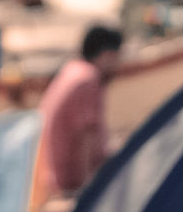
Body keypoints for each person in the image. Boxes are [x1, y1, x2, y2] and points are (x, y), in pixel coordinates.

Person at [37, 25, 123, 197]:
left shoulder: (72, 70)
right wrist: (88, 194)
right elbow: (85, 140)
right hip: (67, 184)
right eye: (117, 58)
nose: (119, 65)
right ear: (107, 55)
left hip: (49, 177)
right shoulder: (88, 79)